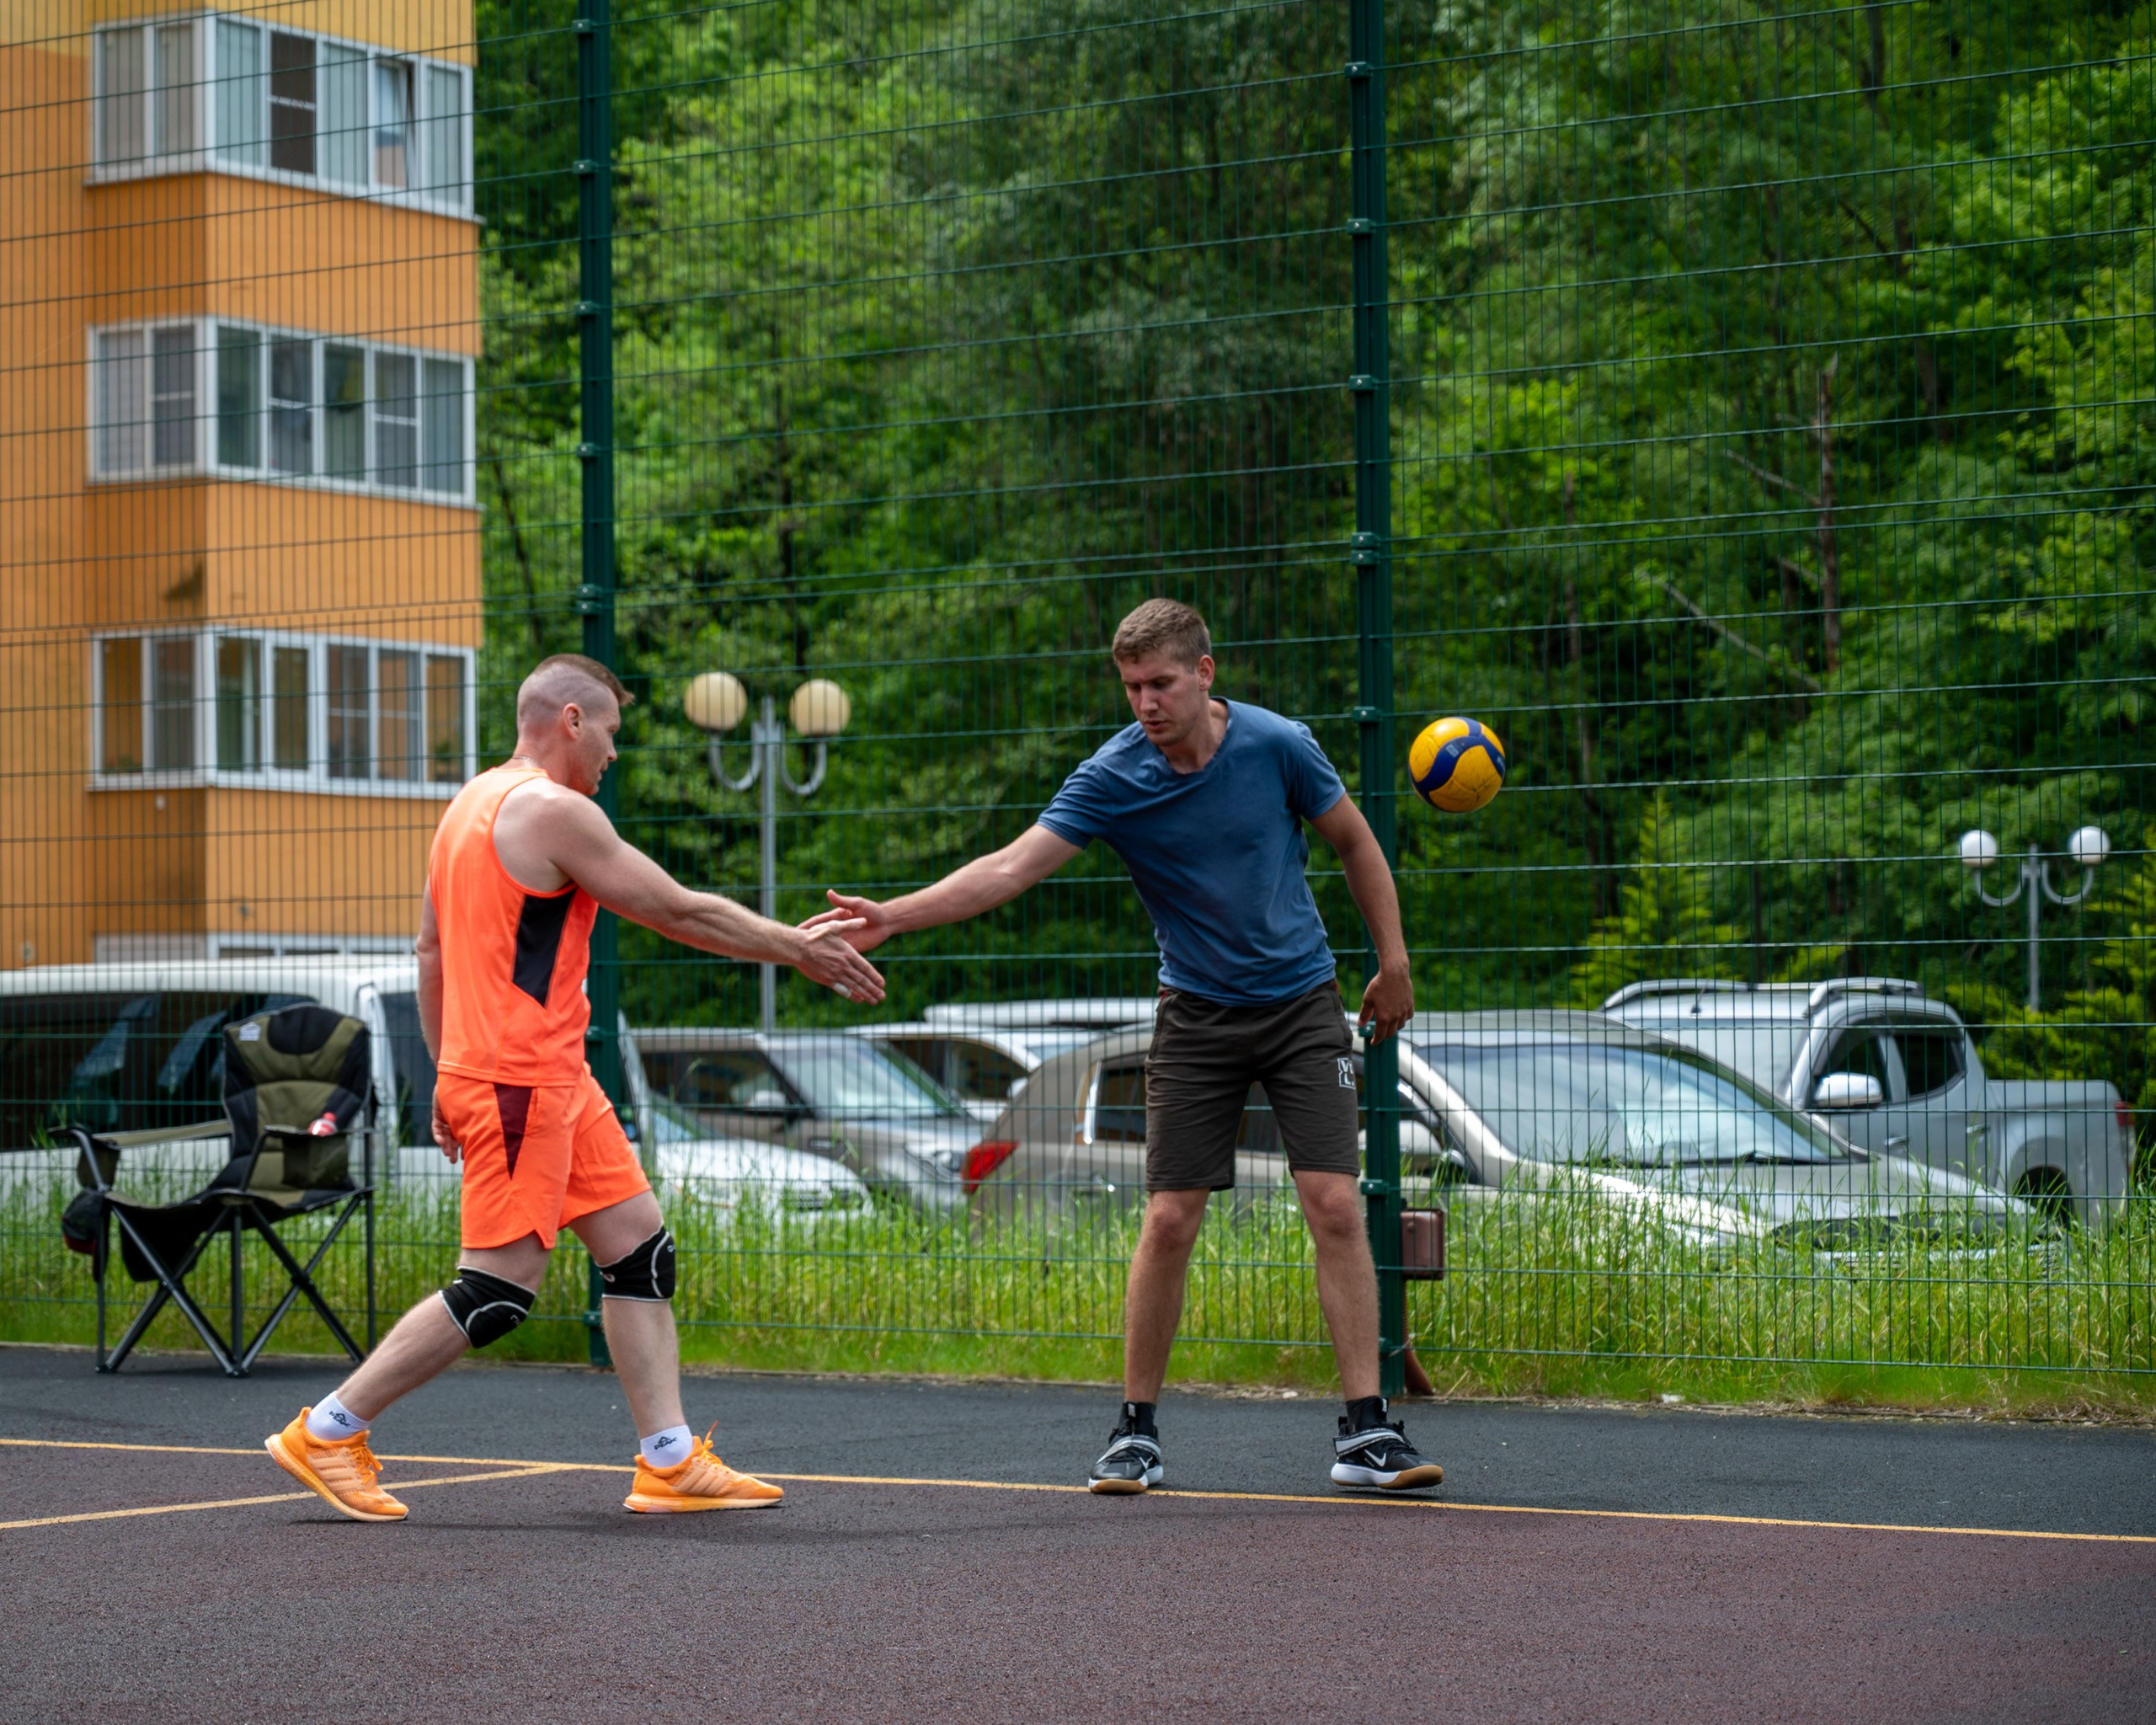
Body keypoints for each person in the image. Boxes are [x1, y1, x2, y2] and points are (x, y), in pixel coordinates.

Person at [806, 600, 1443, 1493]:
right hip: (1194, 1013)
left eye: (1161, 683)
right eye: (1132, 686)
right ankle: (1134, 1430)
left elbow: (1354, 841)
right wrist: (895, 914)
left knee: (1334, 1202)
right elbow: (1008, 868)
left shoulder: (1277, 745)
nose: (1144, 702)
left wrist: (1394, 962)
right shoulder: (1114, 774)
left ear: (1205, 673)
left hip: (1302, 1000)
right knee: (1170, 1215)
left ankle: (1367, 1433)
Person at [265, 654, 886, 1522]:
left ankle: (668, 1461)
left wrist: (446, 1069)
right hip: (518, 1080)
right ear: (569, 719)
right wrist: (797, 946)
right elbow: (676, 909)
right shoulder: (557, 811)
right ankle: (330, 1428)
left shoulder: (467, 805)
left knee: (638, 1249)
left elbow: (430, 951)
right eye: (610, 733)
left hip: (545, 1074)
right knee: (497, 1287)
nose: (613, 753)